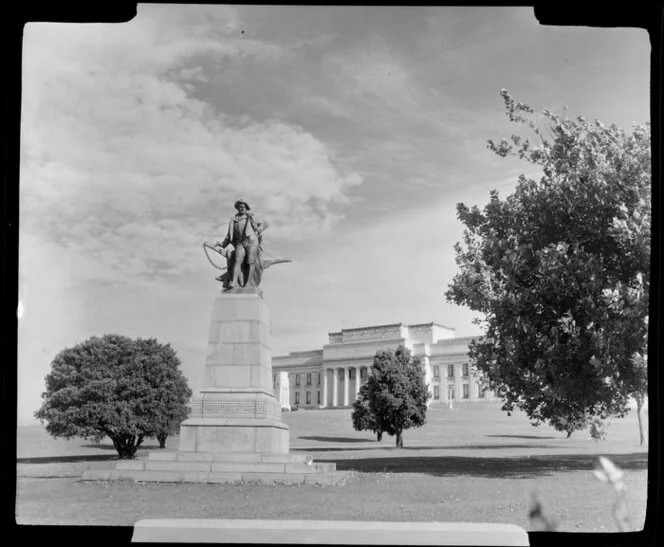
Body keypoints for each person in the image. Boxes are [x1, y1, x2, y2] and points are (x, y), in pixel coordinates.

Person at [218, 199, 269, 289]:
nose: (242, 208)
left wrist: (258, 230)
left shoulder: (251, 216)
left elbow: (264, 225)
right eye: (240, 206)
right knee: (237, 260)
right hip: (240, 243)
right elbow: (229, 235)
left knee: (251, 261)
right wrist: (222, 244)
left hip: (251, 241)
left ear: (246, 208)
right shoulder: (233, 219)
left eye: (244, 207)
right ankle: (233, 282)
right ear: (237, 208)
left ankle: (249, 283)